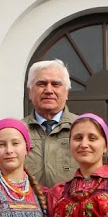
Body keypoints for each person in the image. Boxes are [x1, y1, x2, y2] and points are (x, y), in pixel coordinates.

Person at [23, 59, 78, 187]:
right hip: (28, 206)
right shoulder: (17, 132)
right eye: (41, 84)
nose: (48, 90)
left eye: (56, 84)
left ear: (66, 92)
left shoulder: (83, 129)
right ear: (30, 92)